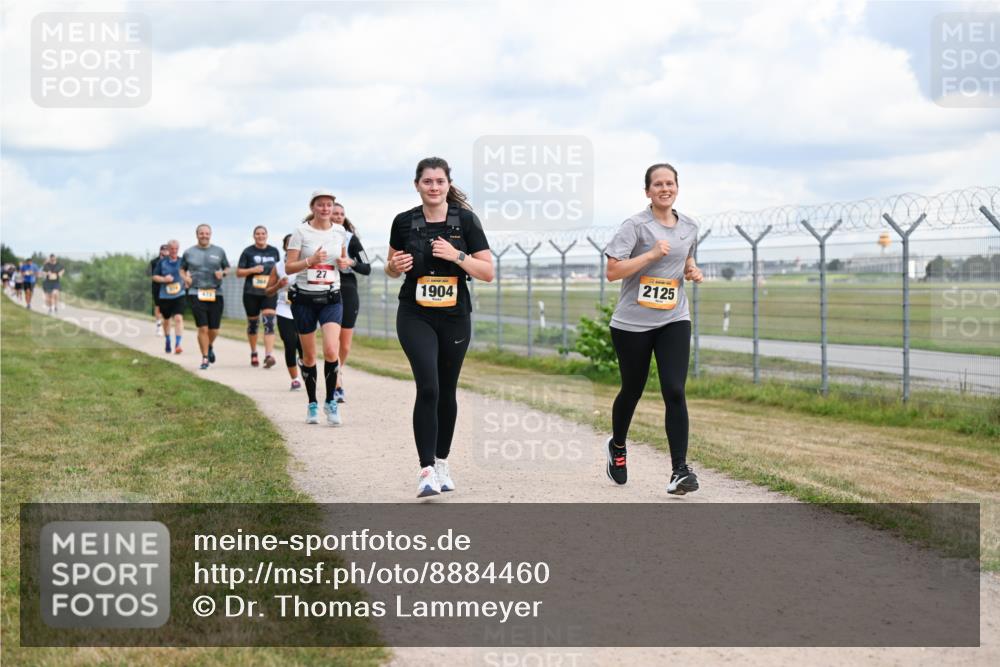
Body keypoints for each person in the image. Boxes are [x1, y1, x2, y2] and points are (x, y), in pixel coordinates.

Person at [386, 157, 493, 498]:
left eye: (439, 181)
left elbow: (487, 272)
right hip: (414, 313)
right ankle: (427, 470)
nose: (433, 187)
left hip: (454, 315)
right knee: (428, 387)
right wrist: (395, 265)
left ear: (448, 184)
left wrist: (456, 255)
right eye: (427, 181)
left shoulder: (466, 221)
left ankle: (442, 461)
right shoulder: (403, 222)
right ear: (417, 185)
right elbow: (391, 267)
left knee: (447, 390)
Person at [604, 163, 704, 495]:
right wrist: (650, 255)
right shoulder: (635, 226)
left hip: (674, 318)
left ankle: (680, 471)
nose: (665, 189)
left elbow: (685, 256)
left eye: (670, 183)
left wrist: (691, 269)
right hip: (632, 323)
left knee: (674, 389)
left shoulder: (690, 226)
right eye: (658, 184)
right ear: (648, 191)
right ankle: (618, 446)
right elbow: (612, 272)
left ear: (677, 188)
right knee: (632, 389)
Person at [285, 190, 349, 425]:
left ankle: (331, 402)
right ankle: (312, 402)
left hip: (331, 297)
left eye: (329, 205)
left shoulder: (339, 231)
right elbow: (289, 267)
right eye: (320, 205)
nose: (325, 209)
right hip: (304, 299)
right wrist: (310, 261)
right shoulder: (301, 232)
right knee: (309, 356)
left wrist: (344, 263)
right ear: (312, 207)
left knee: (331, 350)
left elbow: (344, 261)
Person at [330, 202, 372, 403]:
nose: (338, 216)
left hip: (347, 288)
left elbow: (367, 267)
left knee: (345, 345)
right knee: (332, 339)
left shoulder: (351, 239)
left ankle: (338, 369)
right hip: (326, 288)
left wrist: (351, 262)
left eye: (341, 214)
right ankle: (337, 383)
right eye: (335, 213)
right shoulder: (316, 236)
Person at [180, 224, 230, 370]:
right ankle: (205, 358)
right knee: (203, 328)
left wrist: (223, 273)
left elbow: (227, 267)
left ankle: (208, 345)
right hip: (196, 292)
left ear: (210, 235)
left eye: (207, 233)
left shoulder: (219, 251)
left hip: (215, 292)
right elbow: (182, 269)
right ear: (197, 235)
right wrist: (185, 278)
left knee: (214, 329)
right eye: (201, 233)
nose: (204, 236)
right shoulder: (189, 252)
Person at [236, 226, 281, 368]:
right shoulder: (248, 252)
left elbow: (279, 269)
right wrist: (252, 270)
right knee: (253, 324)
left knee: (269, 322)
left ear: (267, 235)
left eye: (263, 233)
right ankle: (254, 352)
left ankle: (268, 355)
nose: (260, 236)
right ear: (254, 236)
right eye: (257, 234)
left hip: (269, 292)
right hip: (251, 293)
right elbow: (238, 273)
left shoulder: (274, 251)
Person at [265, 234, 303, 391]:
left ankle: (305, 366)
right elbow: (268, 291)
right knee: (290, 343)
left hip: (303, 309)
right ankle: (295, 379)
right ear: (285, 247)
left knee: (303, 346)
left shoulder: (306, 263)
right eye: (289, 244)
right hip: (284, 308)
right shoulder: (279, 266)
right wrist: (278, 285)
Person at [151, 240, 186, 354]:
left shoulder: (182, 261)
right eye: (172, 249)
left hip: (179, 294)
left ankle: (178, 344)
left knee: (178, 318)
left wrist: (187, 280)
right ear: (168, 249)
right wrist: (164, 279)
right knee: (167, 319)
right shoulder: (162, 262)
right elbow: (154, 277)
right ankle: (167, 340)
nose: (174, 251)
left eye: (176, 249)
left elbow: (188, 274)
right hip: (165, 296)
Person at [149, 244, 168, 334]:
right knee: (158, 306)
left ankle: (166, 325)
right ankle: (159, 326)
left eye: (167, 250)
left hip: (168, 287)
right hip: (157, 287)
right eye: (164, 250)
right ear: (160, 251)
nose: (165, 252)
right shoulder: (154, 262)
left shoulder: (171, 261)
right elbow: (150, 274)